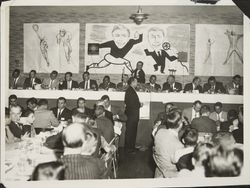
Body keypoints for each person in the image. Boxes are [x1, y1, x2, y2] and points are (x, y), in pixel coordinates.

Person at [153, 109, 184, 178]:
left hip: (159, 168)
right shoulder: (178, 145)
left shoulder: (160, 132)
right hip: (171, 173)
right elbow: (182, 166)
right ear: (181, 124)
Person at [124, 77, 142, 154]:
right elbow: (131, 104)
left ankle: (131, 147)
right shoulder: (130, 91)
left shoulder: (130, 90)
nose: (137, 83)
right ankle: (129, 149)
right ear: (132, 82)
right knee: (130, 132)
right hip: (132, 115)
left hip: (132, 115)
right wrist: (139, 104)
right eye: (136, 82)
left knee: (132, 132)